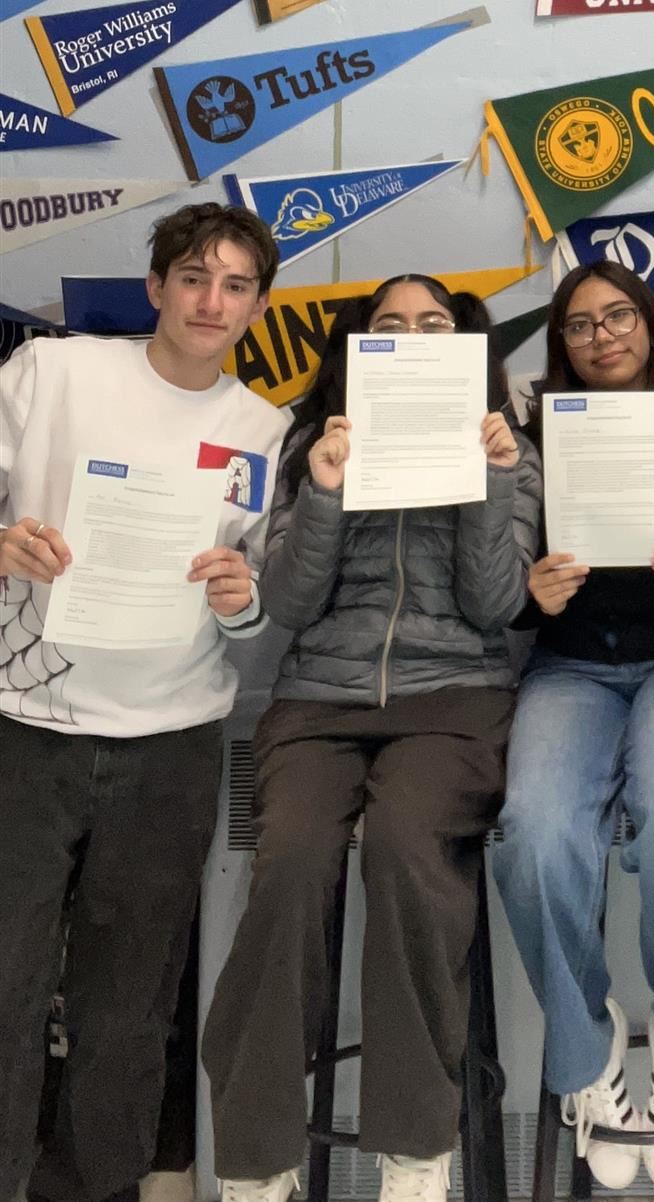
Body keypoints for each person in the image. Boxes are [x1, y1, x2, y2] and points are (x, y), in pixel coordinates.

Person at [202, 273, 540, 1202]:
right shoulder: (315, 444)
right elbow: (293, 607)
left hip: (455, 699)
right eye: (390, 326)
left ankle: (416, 1145)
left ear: (463, 346)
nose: (413, 335)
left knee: (405, 851)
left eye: (433, 325)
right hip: (317, 702)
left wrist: (493, 478)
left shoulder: (510, 448)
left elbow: (497, 605)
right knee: (295, 862)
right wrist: (322, 492)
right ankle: (256, 1158)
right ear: (360, 350)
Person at [0, 203, 289, 1202]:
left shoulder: (264, 429)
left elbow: (256, 614)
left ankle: (93, 1188)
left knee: (128, 1005)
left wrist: (240, 600)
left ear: (256, 305)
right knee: (6, 982)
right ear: (158, 285)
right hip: (24, 726)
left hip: (172, 739)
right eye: (195, 276)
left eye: (237, 284)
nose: (213, 300)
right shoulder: (51, 373)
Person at [491, 262, 654, 1192]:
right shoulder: (527, 444)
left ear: (649, 327)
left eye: (619, 317)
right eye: (579, 326)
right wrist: (530, 597)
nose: (602, 336)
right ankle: (585, 1052)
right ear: (559, 346)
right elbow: (495, 582)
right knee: (533, 834)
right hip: (571, 668)